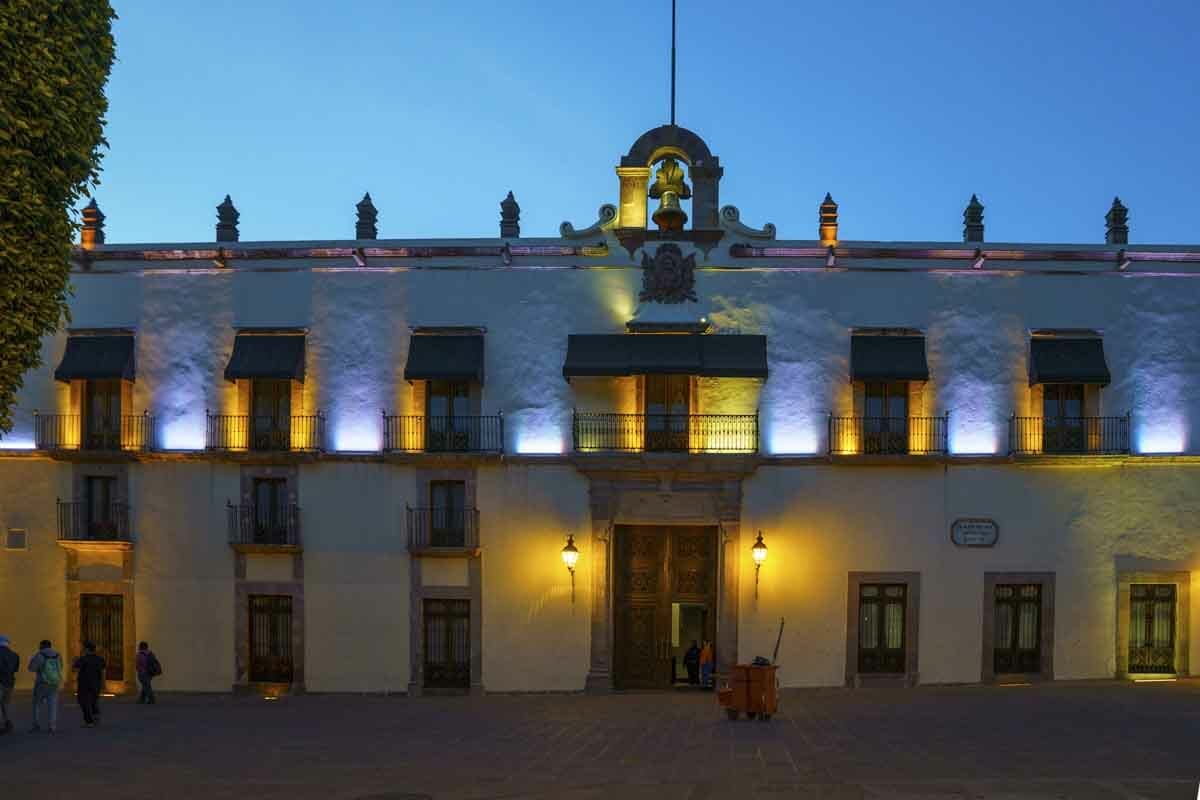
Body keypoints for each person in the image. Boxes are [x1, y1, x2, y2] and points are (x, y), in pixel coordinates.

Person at [28, 639, 63, 733]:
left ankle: (36, 725)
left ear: (42, 646)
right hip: (54, 682)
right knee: (53, 704)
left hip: (42, 683)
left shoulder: (40, 654)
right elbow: (61, 667)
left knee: (37, 704)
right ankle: (52, 726)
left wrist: (31, 660)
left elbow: (32, 668)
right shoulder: (58, 655)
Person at [73, 641, 106, 728]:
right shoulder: (100, 659)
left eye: (83, 648)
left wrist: (75, 660)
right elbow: (103, 671)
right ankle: (96, 717)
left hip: (84, 683)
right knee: (94, 701)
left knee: (83, 701)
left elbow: (75, 669)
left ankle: (89, 721)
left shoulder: (83, 659)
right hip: (96, 683)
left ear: (87, 649)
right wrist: (103, 683)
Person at [0, 635, 18, 734]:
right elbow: (15, 669)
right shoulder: (14, 655)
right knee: (6, 704)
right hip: (9, 682)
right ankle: (7, 723)